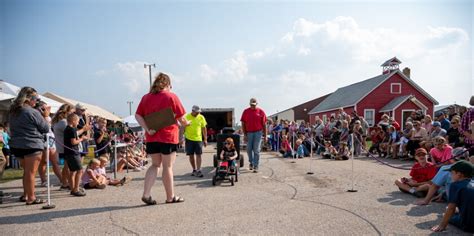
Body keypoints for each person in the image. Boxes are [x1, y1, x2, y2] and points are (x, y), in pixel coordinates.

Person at [135, 72, 188, 205]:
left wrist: (147, 129)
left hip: (152, 137)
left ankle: (146, 194)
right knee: (167, 166)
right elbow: (182, 118)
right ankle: (170, 197)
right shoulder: (171, 96)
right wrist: (186, 123)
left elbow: (138, 115)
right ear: (167, 84)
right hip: (168, 136)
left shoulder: (146, 97)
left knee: (154, 165)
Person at [8, 87, 50, 205]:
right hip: (32, 144)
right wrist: (45, 116)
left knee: (26, 171)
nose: (36, 101)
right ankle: (31, 198)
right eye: (36, 99)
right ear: (29, 99)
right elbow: (45, 128)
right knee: (31, 172)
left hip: (17, 145)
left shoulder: (13, 111)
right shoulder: (32, 112)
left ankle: (25, 194)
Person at [431, 160, 474, 233]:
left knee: (449, 214)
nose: (450, 175)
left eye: (452, 173)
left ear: (459, 174)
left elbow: (451, 208)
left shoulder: (455, 185)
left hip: (469, 225)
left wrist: (442, 225)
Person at [52, 103, 76, 190]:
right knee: (69, 167)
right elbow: (73, 133)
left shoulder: (58, 121)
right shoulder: (64, 122)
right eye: (73, 112)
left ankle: (64, 182)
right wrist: (84, 129)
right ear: (68, 112)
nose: (74, 114)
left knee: (66, 166)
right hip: (65, 147)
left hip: (61, 146)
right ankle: (69, 183)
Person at [241, 98, 267, 173]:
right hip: (249, 133)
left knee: (256, 150)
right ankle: (251, 163)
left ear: (257, 104)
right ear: (249, 104)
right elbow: (243, 123)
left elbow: (264, 125)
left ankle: (256, 166)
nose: (253, 106)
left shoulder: (261, 112)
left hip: (258, 133)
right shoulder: (246, 111)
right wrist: (245, 134)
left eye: (254, 105)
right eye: (252, 105)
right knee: (249, 149)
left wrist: (265, 136)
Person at [64, 113, 87, 197]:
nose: (78, 123)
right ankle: (76, 189)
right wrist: (82, 138)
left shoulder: (67, 129)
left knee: (72, 171)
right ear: (73, 121)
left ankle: (73, 188)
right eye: (77, 121)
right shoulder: (72, 130)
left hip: (68, 153)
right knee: (79, 170)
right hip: (73, 152)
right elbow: (73, 142)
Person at [184, 105, 207, 178]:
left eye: (199, 112)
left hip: (198, 139)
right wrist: (181, 138)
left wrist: (205, 139)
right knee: (191, 155)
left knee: (198, 155)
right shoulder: (186, 117)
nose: (198, 113)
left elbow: (204, 128)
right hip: (189, 139)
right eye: (197, 112)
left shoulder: (201, 117)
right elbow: (183, 127)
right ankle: (194, 169)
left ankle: (199, 170)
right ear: (192, 111)